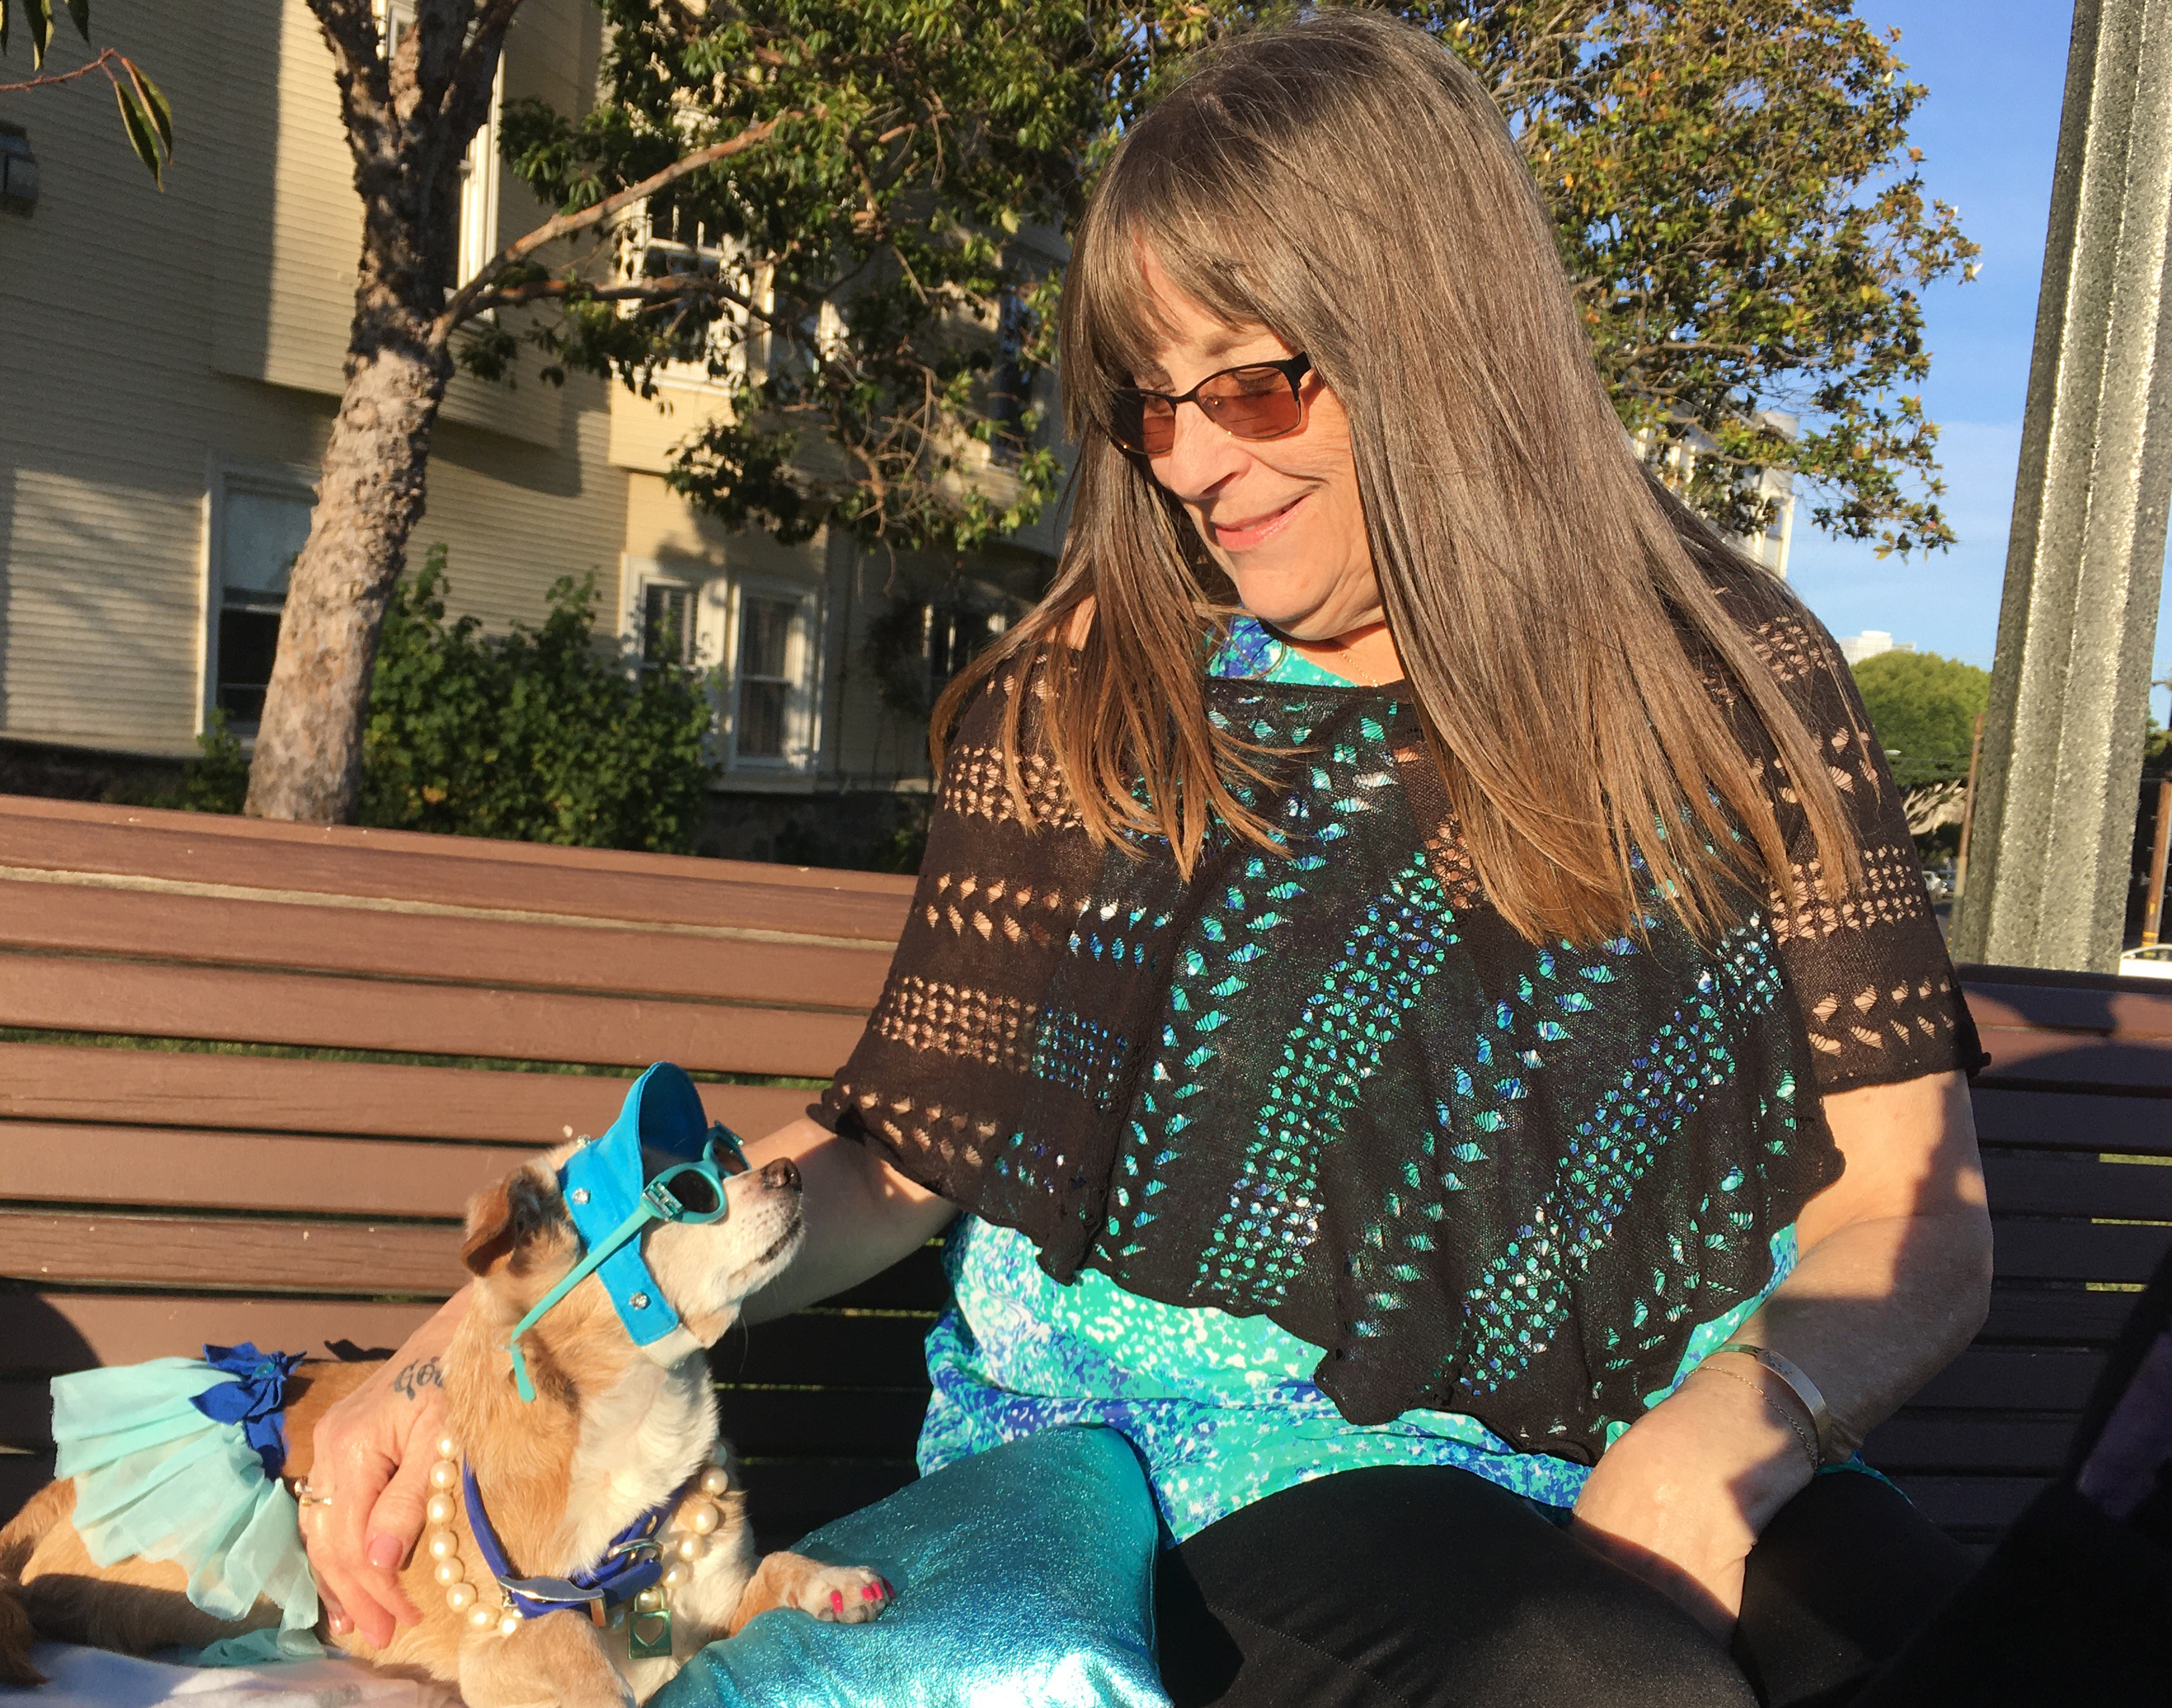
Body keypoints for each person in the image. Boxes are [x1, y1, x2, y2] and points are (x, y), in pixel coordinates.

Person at [300, 15, 1993, 1705]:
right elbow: (902, 1151)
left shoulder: (1729, 679)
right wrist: (480, 1338)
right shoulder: (1103, 692)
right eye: (1146, 399)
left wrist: (1712, 1444)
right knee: (1594, 1681)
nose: (1189, 461)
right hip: (1176, 1490)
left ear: (1440, 338)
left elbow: (1913, 1213)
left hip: (1666, 1456)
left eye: (1254, 380)